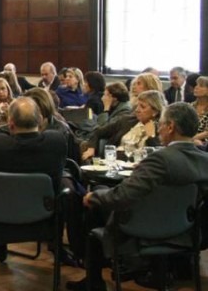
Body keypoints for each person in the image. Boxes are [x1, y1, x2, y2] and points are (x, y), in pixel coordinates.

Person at [66, 102, 208, 291]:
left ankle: (93, 280)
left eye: (161, 124)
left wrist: (94, 197)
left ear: (171, 126)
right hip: (186, 229)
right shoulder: (204, 160)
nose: (158, 129)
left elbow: (123, 196)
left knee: (92, 206)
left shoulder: (160, 159)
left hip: (144, 228)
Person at [0, 97, 68, 262]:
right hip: (44, 219)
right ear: (41, 120)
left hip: (1, 219)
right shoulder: (56, 143)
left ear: (11, 124)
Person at [81, 90, 165, 161]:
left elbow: (159, 156)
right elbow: (98, 131)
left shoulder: (162, 129)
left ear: (155, 111)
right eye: (137, 106)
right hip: (114, 162)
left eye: (142, 107)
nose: (137, 110)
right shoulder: (127, 120)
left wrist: (151, 137)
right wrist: (91, 148)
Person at [190, 76, 208, 146]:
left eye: (201, 86)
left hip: (204, 141)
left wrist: (192, 139)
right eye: (196, 85)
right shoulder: (189, 107)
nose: (196, 87)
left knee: (197, 143)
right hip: (188, 139)